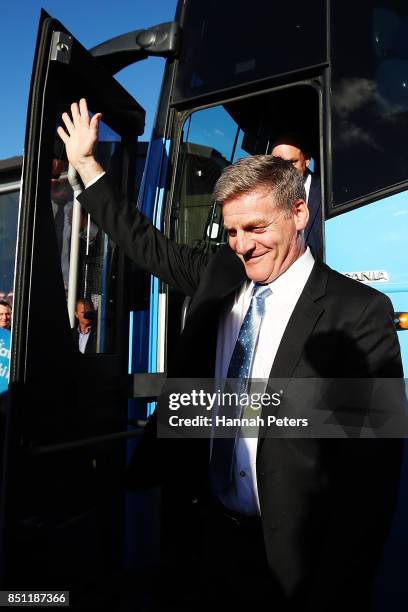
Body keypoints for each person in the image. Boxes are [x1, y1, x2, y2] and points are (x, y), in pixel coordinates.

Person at [58, 100, 403, 611]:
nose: (243, 246)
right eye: (234, 231)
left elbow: (372, 481)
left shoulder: (360, 314)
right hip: (204, 543)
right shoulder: (219, 272)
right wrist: (87, 167)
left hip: (296, 567)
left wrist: (340, 587)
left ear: (299, 212)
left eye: (257, 228)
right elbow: (142, 241)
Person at [271, 134, 322, 259]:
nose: (284, 170)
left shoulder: (326, 192)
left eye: (291, 163)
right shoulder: (265, 194)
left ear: (307, 160)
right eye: (277, 164)